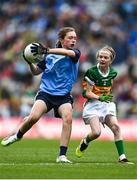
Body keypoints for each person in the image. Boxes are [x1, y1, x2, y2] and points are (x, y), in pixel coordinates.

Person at [1, 27, 81, 163]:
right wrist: (29, 62)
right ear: (61, 40)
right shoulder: (49, 57)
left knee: (68, 119)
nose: (73, 40)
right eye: (70, 37)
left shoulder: (75, 53)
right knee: (33, 118)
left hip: (64, 96)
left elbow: (67, 53)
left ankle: (62, 155)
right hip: (46, 93)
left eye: (74, 38)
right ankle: (17, 136)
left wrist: (47, 50)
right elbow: (36, 72)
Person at [75, 45, 134, 164]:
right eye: (100, 57)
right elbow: (86, 93)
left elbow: (109, 87)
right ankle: (85, 142)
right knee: (96, 133)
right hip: (93, 105)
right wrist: (100, 97)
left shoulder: (112, 72)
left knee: (116, 128)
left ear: (110, 60)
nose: (102, 59)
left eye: (105, 57)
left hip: (106, 104)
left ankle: (122, 157)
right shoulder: (92, 72)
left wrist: (108, 96)